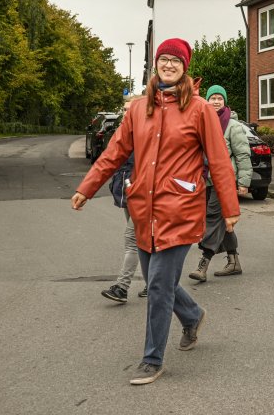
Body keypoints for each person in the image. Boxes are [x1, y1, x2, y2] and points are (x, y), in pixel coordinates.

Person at [72, 38, 240, 385]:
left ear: (185, 67)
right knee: (156, 281)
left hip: (181, 210)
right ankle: (192, 316)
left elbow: (219, 160)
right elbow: (114, 153)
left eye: (175, 61)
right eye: (164, 59)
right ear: (156, 65)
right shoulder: (138, 109)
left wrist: (229, 207)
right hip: (144, 209)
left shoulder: (200, 110)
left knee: (160, 288)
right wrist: (86, 187)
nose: (168, 65)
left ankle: (152, 359)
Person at [188, 85, 252, 281]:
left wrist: (243, 182)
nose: (216, 101)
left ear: (224, 102)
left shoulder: (233, 126)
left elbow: (242, 155)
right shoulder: (202, 122)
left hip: (223, 181)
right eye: (212, 98)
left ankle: (203, 264)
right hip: (204, 180)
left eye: (219, 98)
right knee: (224, 223)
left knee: (212, 218)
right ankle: (234, 262)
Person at [100, 152, 150, 302]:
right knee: (144, 241)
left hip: (142, 196)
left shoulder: (147, 139)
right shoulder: (127, 139)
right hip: (128, 193)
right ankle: (154, 283)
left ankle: (122, 287)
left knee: (132, 240)